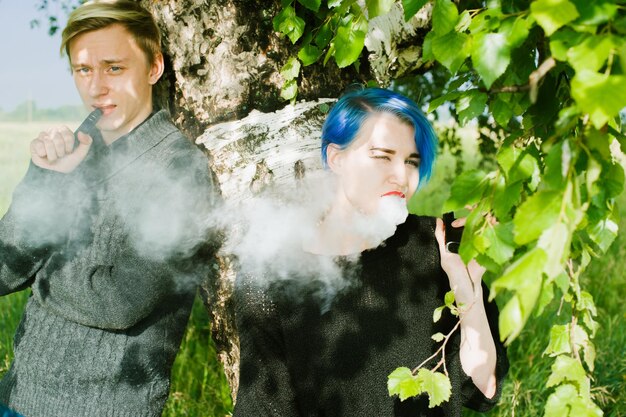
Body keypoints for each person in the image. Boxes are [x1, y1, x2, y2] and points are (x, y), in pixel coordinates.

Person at [0, 1, 219, 416]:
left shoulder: (178, 169)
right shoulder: (78, 147)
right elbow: (4, 267)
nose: (96, 87)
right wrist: (44, 177)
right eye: (84, 70)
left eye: (114, 68)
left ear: (154, 68)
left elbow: (121, 300)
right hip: (16, 395)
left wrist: (42, 274)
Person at [233, 87, 508, 416]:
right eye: (382, 156)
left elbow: (483, 387)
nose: (402, 175)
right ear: (337, 158)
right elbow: (263, 408)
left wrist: (468, 289)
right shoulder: (269, 273)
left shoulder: (435, 244)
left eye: (411, 161)